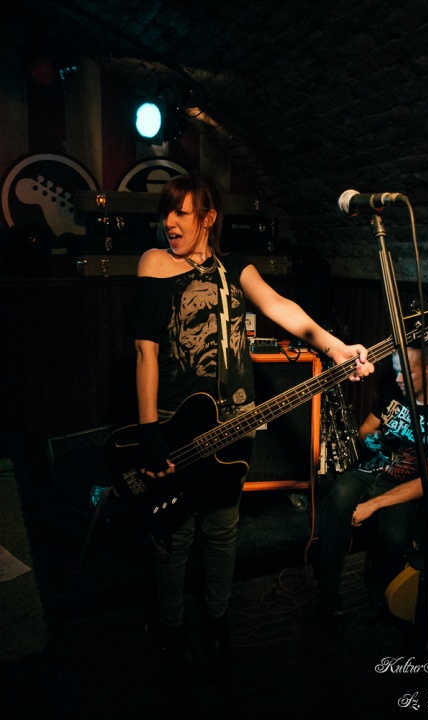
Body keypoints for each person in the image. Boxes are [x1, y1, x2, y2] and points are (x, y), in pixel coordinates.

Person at [132, 172, 374, 676]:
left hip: (234, 422)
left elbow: (281, 307)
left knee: (222, 528)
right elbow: (145, 352)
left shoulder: (234, 268)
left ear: (208, 217)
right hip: (177, 423)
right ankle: (172, 627)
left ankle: (216, 621)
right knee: (175, 534)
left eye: (181, 212)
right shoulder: (155, 262)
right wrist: (149, 431)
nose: (170, 222)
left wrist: (335, 347)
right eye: (166, 213)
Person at [315, 341, 428, 620]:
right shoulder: (395, 394)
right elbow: (365, 429)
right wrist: (376, 440)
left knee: (395, 536)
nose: (399, 379)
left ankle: (380, 592)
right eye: (396, 371)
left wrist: (374, 504)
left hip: (401, 488)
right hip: (370, 470)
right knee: (340, 495)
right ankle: (328, 590)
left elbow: (427, 482)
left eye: (406, 372)